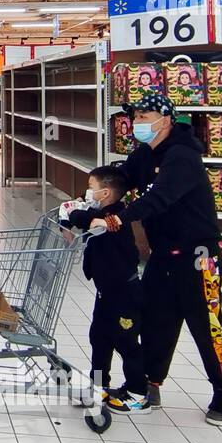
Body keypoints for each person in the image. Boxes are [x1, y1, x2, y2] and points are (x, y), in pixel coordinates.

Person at [93, 93, 222, 427]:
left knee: (207, 327)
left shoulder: (182, 156)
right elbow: (119, 180)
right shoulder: (145, 154)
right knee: (155, 320)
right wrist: (91, 200)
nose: (138, 123)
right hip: (163, 255)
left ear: (166, 118)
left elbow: (160, 198)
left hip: (198, 256)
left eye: (144, 116)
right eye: (135, 117)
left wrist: (116, 219)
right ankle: (149, 385)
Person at [61, 166, 150, 414]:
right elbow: (79, 212)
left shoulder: (115, 218)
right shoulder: (100, 211)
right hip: (107, 292)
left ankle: (138, 393)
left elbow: (84, 219)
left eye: (92, 187)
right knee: (99, 338)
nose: (88, 192)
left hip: (125, 294)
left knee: (126, 342)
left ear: (106, 192)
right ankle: (98, 385)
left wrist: (73, 216)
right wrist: (71, 214)